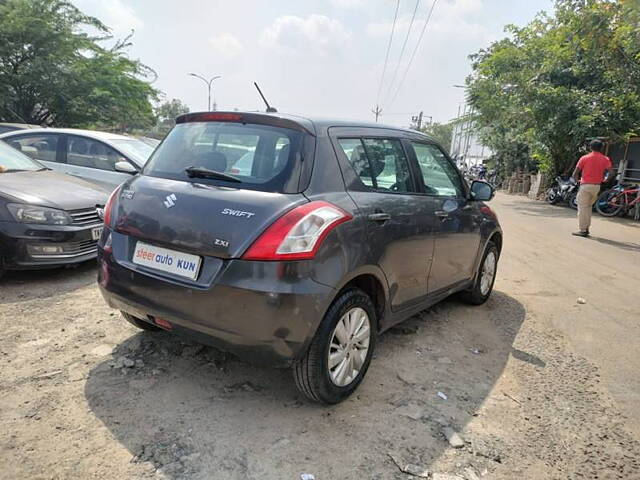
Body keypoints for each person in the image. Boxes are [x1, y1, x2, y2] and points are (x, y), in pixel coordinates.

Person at [571, 139, 613, 237]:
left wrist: (578, 181)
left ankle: (583, 230)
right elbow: (611, 173)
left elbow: (575, 173)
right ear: (601, 148)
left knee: (582, 208)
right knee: (588, 207)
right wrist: (605, 180)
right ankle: (587, 228)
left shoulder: (584, 158)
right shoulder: (605, 159)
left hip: (585, 185)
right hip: (596, 186)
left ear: (590, 147)